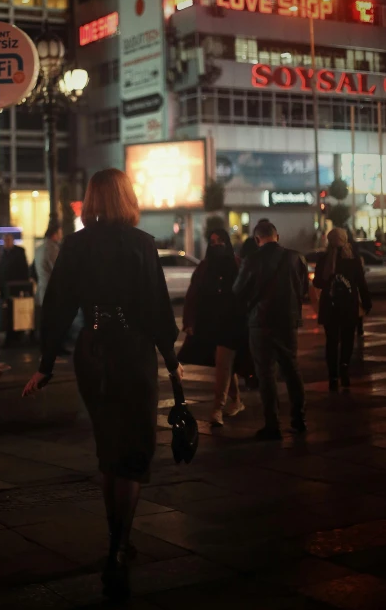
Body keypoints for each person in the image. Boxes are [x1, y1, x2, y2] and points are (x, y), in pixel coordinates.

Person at [22, 168, 182, 600]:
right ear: (126, 198)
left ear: (91, 200)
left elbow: (56, 306)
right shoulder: (142, 244)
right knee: (133, 449)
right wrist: (170, 359)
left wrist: (46, 364)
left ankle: (117, 540)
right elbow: (156, 307)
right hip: (132, 350)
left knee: (109, 447)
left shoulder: (75, 246)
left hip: (92, 351)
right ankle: (118, 544)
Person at [233, 221, 308, 440]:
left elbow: (238, 291)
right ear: (278, 236)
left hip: (260, 322)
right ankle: (299, 419)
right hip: (288, 321)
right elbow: (302, 288)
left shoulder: (252, 260)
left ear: (257, 240)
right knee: (292, 369)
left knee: (265, 374)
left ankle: (272, 424)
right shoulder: (296, 257)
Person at [181, 228, 247, 427]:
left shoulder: (237, 264)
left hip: (232, 323)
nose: (216, 244)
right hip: (210, 323)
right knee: (224, 365)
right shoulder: (204, 267)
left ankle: (218, 407)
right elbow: (193, 294)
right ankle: (236, 400)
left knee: (223, 363)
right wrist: (189, 322)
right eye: (213, 241)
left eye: (220, 240)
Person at [313, 228, 371, 391]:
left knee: (331, 342)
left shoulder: (323, 259)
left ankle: (332, 376)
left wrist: (328, 282)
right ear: (346, 241)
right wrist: (367, 304)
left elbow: (317, 282)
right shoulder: (353, 261)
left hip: (329, 307)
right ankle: (344, 368)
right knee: (347, 341)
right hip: (348, 307)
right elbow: (361, 284)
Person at [34, 220, 63, 306]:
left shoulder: (39, 248)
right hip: (51, 291)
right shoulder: (52, 248)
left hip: (41, 290)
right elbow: (57, 269)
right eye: (60, 232)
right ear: (55, 234)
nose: (62, 236)